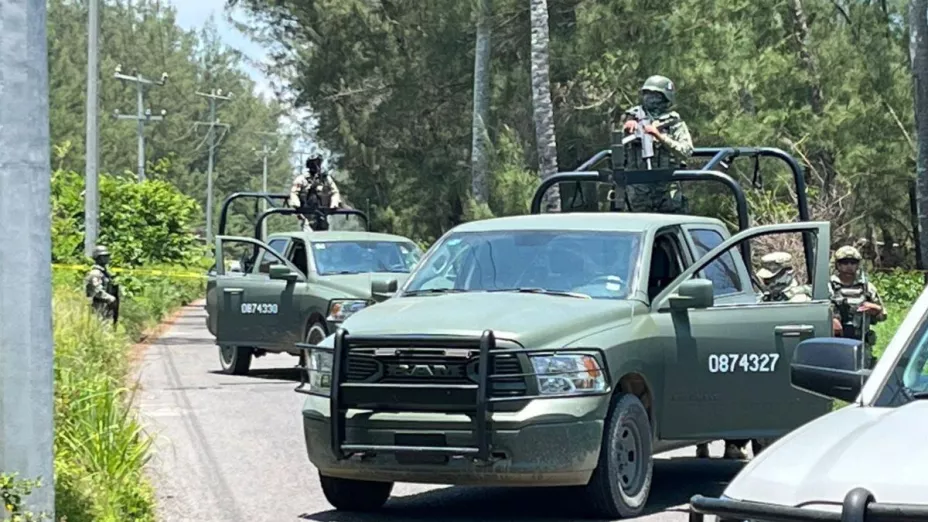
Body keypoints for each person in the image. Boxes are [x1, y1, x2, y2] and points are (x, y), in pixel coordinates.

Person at [621, 75, 694, 213]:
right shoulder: (633, 118)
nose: (650, 98)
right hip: (638, 192)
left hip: (666, 190)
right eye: (647, 94)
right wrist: (626, 131)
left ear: (665, 97)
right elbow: (618, 156)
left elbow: (686, 151)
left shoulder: (674, 123)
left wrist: (659, 137)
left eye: (655, 95)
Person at [830, 245, 886, 368]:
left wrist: (876, 310)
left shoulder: (867, 288)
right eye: (844, 262)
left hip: (861, 345)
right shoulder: (828, 287)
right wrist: (832, 318)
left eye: (853, 262)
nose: (849, 266)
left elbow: (883, 316)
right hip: (835, 344)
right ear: (837, 265)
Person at [288, 155, 343, 232]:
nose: (316, 166)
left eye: (318, 163)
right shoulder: (302, 179)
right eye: (313, 163)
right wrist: (297, 205)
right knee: (308, 233)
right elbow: (294, 193)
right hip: (307, 214)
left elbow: (335, 192)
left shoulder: (326, 179)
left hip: (323, 212)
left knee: (324, 234)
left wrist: (334, 204)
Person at [84, 245, 118, 322]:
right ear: (98, 257)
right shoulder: (95, 273)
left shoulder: (104, 272)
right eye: (105, 256)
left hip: (105, 307)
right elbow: (95, 290)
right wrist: (109, 298)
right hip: (97, 307)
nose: (108, 258)